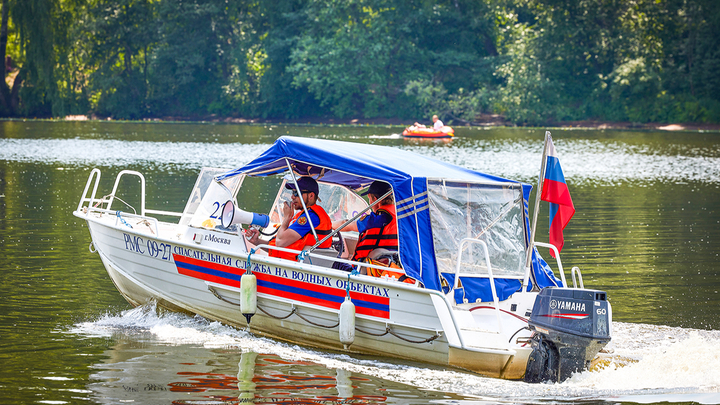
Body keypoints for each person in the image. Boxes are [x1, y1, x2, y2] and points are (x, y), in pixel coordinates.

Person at [332, 181, 413, 283]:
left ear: (375, 199)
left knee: (336, 263)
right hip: (390, 269)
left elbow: (346, 224)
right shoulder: (401, 217)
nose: (370, 204)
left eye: (369, 199)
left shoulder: (379, 218)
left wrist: (329, 225)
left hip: (369, 271)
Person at [246, 176, 333, 261]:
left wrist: (287, 217)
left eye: (297, 193)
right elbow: (281, 245)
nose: (292, 197)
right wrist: (257, 241)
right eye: (292, 192)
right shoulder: (305, 215)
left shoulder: (310, 218)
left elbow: (280, 242)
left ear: (311, 196)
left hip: (296, 270)